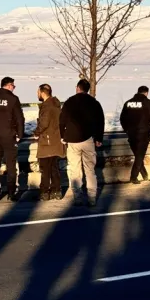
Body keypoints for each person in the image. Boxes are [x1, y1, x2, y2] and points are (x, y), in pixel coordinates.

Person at [60, 79, 105, 207]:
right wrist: (99, 139)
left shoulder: (69, 102)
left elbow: (62, 120)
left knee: (75, 170)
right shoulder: (94, 103)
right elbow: (100, 121)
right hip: (88, 139)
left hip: (72, 140)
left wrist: (62, 135)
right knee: (90, 170)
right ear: (88, 89)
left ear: (78, 88)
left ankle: (78, 197)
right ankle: (92, 197)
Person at [119, 85, 150, 184]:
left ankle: (145, 174)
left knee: (138, 155)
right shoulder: (147, 102)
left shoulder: (128, 103)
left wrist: (126, 129)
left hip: (131, 133)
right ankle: (133, 177)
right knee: (139, 156)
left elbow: (122, 118)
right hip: (143, 133)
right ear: (146, 93)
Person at [34, 84, 64, 201]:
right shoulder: (56, 105)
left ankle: (44, 192)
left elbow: (44, 123)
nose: (37, 94)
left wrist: (36, 133)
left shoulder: (47, 106)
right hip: (56, 141)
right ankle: (57, 191)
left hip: (47, 141)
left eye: (37, 92)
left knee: (45, 168)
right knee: (54, 168)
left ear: (42, 92)